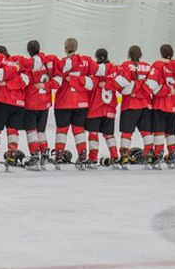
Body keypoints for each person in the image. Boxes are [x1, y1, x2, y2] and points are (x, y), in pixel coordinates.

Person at [52, 38, 94, 169]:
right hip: (81, 103)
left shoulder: (62, 63)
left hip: (63, 102)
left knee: (62, 130)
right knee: (79, 130)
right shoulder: (87, 61)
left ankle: (59, 155)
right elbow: (93, 79)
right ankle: (82, 155)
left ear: (65, 48)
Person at [114, 45, 156, 168]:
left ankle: (124, 156)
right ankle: (149, 155)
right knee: (147, 132)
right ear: (141, 55)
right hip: (146, 105)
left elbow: (121, 85)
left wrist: (134, 88)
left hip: (130, 105)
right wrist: (141, 86)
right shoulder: (148, 66)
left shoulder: (126, 65)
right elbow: (152, 85)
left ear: (129, 54)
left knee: (127, 133)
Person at [0, 46, 29, 167]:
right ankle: (12, 156)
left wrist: (6, 83)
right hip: (19, 103)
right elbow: (25, 80)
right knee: (13, 131)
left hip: (3, 101)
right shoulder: (19, 63)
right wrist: (14, 72)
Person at [21, 40, 55, 170]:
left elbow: (24, 81)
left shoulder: (29, 65)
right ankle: (45, 153)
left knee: (31, 131)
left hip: (31, 102)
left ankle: (34, 155)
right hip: (45, 102)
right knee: (41, 131)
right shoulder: (47, 63)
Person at [150, 44, 175, 167]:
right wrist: (172, 90)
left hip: (159, 104)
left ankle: (158, 154)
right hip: (174, 105)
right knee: (171, 132)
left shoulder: (157, 65)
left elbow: (152, 86)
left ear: (161, 53)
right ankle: (172, 154)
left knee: (159, 131)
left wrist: (167, 90)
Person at [86, 48, 119, 168]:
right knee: (109, 135)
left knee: (93, 134)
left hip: (95, 107)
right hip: (110, 107)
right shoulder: (114, 68)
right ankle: (115, 157)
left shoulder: (95, 70)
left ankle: (93, 159)